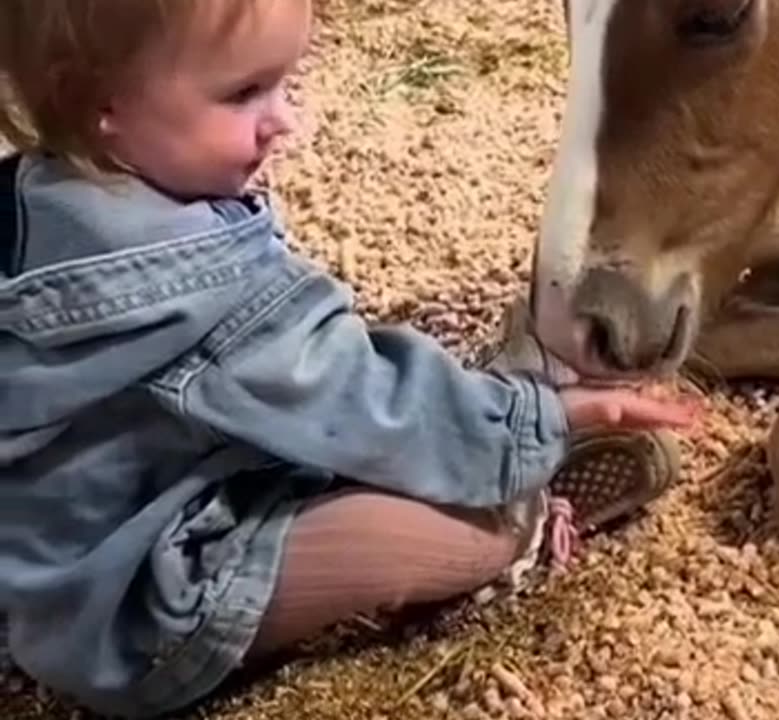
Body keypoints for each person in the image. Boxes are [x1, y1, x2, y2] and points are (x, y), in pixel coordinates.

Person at [0, 1, 699, 717]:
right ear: (98, 103)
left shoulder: (34, 200)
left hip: (51, 568)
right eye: (244, 93)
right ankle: (523, 514)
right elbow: (365, 397)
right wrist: (538, 417)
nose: (285, 119)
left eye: (284, 82)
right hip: (138, 612)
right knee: (462, 528)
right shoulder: (198, 282)